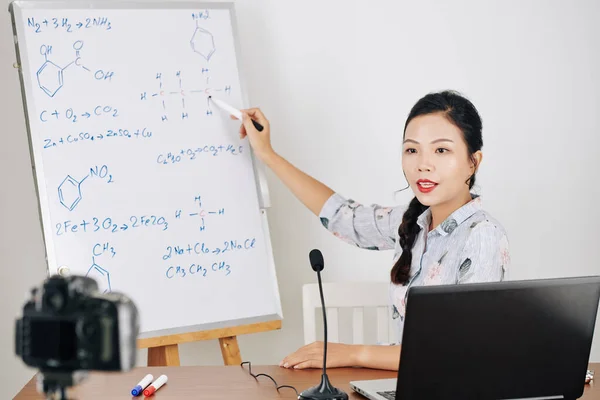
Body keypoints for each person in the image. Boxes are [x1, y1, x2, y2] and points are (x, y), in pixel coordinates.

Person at [234, 90, 510, 371]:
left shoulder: (482, 235)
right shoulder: (411, 222)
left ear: (473, 162)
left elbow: (459, 352)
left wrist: (352, 354)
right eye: (412, 150)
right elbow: (343, 217)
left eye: (441, 150)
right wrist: (267, 154)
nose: (423, 165)